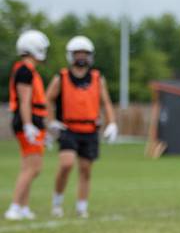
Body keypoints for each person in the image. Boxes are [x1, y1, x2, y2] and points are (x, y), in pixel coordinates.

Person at [45, 36, 118, 218]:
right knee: (66, 164)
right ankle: (57, 203)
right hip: (68, 129)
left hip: (90, 130)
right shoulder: (61, 77)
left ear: (90, 56)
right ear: (71, 56)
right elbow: (47, 99)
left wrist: (112, 123)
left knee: (85, 170)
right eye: (77, 53)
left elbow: (106, 102)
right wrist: (51, 121)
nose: (81, 57)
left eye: (84, 53)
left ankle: (81, 207)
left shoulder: (97, 78)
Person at [5, 30, 50, 221]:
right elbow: (25, 101)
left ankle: (23, 207)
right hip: (27, 123)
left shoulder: (28, 71)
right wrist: (28, 125)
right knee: (33, 168)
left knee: (29, 167)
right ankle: (14, 207)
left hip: (33, 122)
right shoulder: (24, 71)